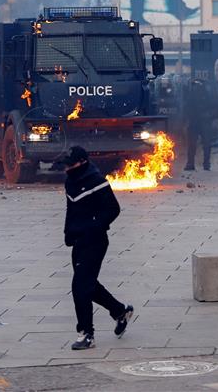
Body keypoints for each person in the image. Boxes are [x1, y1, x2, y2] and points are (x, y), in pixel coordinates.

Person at [62, 146, 133, 350]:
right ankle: (120, 311)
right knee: (88, 285)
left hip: (95, 241)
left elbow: (113, 209)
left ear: (82, 162)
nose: (67, 168)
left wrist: (95, 226)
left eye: (70, 164)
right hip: (78, 240)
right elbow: (71, 210)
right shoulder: (70, 182)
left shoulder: (97, 182)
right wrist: (68, 233)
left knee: (79, 287)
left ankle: (86, 334)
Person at [183, 78, 218, 171]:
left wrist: (209, 117)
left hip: (204, 121)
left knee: (205, 143)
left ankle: (205, 164)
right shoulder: (191, 95)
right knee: (193, 144)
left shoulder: (208, 94)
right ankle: (192, 163)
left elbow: (215, 107)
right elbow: (186, 107)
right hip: (195, 121)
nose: (196, 87)